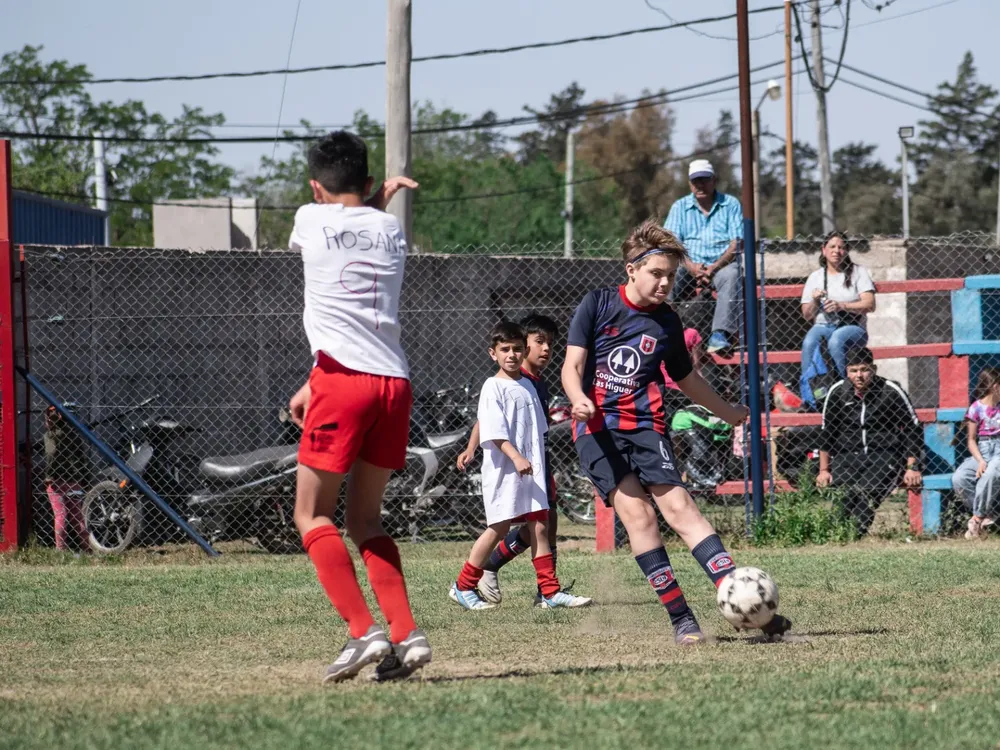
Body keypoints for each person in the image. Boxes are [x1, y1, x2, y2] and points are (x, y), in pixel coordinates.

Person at [561, 219, 791, 644]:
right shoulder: (597, 304)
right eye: (657, 274)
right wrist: (577, 397)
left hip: (646, 428)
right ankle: (682, 620)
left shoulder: (666, 321)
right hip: (596, 430)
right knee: (640, 515)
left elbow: (687, 380)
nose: (665, 283)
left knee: (683, 509)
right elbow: (572, 365)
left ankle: (742, 601)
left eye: (671, 275)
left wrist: (727, 411)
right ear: (631, 269)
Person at [286, 130, 430, 683]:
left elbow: (337, 223)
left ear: (315, 187)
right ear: (370, 183)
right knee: (365, 518)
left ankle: (362, 631)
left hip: (342, 382)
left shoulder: (309, 217)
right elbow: (362, 222)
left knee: (311, 514)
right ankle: (405, 633)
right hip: (393, 383)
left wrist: (368, 196)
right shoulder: (391, 227)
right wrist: (378, 200)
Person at [450, 321, 591, 611]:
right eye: (505, 350)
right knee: (498, 528)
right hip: (507, 470)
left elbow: (536, 430)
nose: (512, 355)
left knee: (540, 525)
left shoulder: (528, 384)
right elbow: (493, 428)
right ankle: (463, 586)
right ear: (493, 353)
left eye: (517, 349)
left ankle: (550, 593)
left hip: (532, 469)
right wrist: (506, 455)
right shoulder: (492, 386)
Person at [816, 347, 923, 536]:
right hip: (848, 456)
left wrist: (912, 467)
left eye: (864, 369)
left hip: (884, 455)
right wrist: (824, 470)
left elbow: (912, 428)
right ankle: (835, 536)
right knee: (844, 497)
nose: (859, 376)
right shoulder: (837, 392)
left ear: (873, 369)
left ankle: (852, 537)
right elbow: (827, 432)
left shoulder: (890, 391)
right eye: (853, 370)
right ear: (846, 371)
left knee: (865, 494)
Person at [664, 159, 744, 354]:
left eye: (704, 180)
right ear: (690, 183)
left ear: (714, 180)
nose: (700, 185)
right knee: (668, 273)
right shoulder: (679, 208)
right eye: (695, 181)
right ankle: (662, 326)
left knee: (733, 275)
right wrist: (691, 266)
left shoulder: (730, 204)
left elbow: (737, 242)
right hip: (689, 264)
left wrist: (714, 267)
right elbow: (671, 242)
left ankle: (720, 335)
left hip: (722, 265)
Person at [799, 231, 876, 410]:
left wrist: (842, 306)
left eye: (841, 247)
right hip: (824, 324)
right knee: (810, 341)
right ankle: (809, 397)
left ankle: (845, 393)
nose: (837, 251)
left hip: (852, 326)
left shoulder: (858, 272)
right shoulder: (816, 277)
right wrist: (815, 300)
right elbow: (807, 314)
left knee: (836, 340)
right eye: (832, 247)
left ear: (847, 251)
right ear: (823, 250)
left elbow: (870, 304)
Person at [951, 367, 1000, 539]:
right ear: (995, 387)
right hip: (983, 451)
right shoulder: (975, 409)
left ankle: (977, 519)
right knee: (960, 477)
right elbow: (971, 440)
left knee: (991, 473)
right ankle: (990, 514)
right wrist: (980, 461)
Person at [43, 404, 90, 551]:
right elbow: (82, 458)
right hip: (74, 480)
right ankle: (88, 547)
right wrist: (85, 477)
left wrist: (49, 475)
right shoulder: (75, 435)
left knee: (60, 515)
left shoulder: (50, 435)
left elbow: (51, 456)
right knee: (77, 517)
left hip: (56, 480)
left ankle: (60, 549)